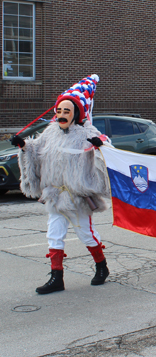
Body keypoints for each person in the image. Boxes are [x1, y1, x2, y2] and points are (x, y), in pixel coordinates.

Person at [11, 74, 111, 294]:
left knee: (86, 233)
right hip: (55, 196)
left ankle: (102, 267)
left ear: (76, 113)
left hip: (77, 197)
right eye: (59, 111)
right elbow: (36, 150)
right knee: (54, 234)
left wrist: (99, 145)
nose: (62, 114)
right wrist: (23, 146)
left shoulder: (86, 132)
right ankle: (57, 277)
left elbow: (105, 147)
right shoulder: (50, 133)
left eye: (67, 111)